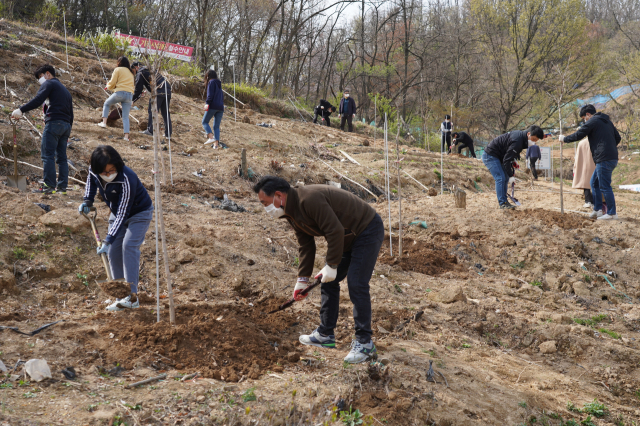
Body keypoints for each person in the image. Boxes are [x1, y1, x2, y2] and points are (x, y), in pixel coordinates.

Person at [253, 176, 384, 364]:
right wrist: (302, 280)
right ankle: (325, 334)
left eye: (265, 203)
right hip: (347, 236)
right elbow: (306, 244)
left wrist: (331, 265)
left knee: (357, 282)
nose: (265, 208)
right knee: (328, 281)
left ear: (279, 195)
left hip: (366, 229)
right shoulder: (290, 212)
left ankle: (365, 343)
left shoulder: (309, 199)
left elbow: (334, 230)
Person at [78, 146, 154, 311]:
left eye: (111, 171)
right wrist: (87, 201)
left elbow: (123, 213)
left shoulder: (127, 178)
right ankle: (120, 296)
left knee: (129, 246)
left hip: (139, 213)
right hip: (116, 211)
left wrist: (108, 239)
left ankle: (132, 297)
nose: (108, 175)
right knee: (113, 252)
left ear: (118, 166)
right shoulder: (94, 171)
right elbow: (91, 181)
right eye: (104, 173)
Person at [11, 64, 73, 194]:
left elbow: (39, 99)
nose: (40, 80)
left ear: (48, 74)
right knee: (61, 158)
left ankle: (49, 186)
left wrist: (21, 110)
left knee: (47, 155)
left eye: (40, 76)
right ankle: (62, 188)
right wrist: (68, 130)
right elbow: (71, 113)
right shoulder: (65, 90)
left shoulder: (49, 84)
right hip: (66, 125)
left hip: (54, 123)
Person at [560, 104, 621, 220]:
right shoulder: (607, 122)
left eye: (584, 118)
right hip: (609, 157)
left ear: (588, 114)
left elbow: (579, 134)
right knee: (594, 183)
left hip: (604, 158)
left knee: (604, 186)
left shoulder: (593, 121)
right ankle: (597, 210)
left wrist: (564, 139)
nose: (584, 121)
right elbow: (618, 138)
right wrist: (609, 147)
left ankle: (612, 213)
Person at [482, 125, 544, 209]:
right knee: (500, 178)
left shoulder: (521, 137)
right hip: (490, 155)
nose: (534, 142)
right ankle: (502, 203)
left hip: (499, 156)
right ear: (528, 134)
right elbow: (506, 160)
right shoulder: (518, 141)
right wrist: (511, 175)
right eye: (533, 139)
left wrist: (513, 159)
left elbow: (509, 153)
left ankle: (505, 201)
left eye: (536, 141)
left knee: (505, 177)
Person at [132, 61, 172, 139]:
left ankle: (150, 131)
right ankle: (168, 134)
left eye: (133, 70)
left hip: (158, 91)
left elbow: (138, 89)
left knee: (152, 110)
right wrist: (146, 91)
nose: (134, 72)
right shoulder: (150, 69)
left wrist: (132, 100)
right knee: (165, 113)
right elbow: (153, 81)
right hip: (167, 89)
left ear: (136, 67)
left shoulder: (140, 72)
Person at [98, 57, 134, 142]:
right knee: (125, 116)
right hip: (129, 95)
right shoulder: (131, 72)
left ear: (119, 62)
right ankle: (126, 137)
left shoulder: (118, 69)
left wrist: (108, 86)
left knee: (107, 103)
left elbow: (112, 82)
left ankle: (104, 123)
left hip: (120, 93)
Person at [202, 69, 224, 149]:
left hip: (213, 106)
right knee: (216, 126)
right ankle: (216, 145)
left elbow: (210, 95)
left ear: (207, 76)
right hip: (221, 107)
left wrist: (207, 103)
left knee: (204, 122)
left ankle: (211, 138)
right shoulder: (219, 84)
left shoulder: (211, 82)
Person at [573, 138, 596, 209]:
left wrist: (575, 166)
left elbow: (577, 156)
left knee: (585, 182)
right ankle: (595, 201)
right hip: (595, 164)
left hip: (584, 164)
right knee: (596, 184)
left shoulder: (581, 143)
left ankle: (588, 201)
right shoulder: (597, 141)